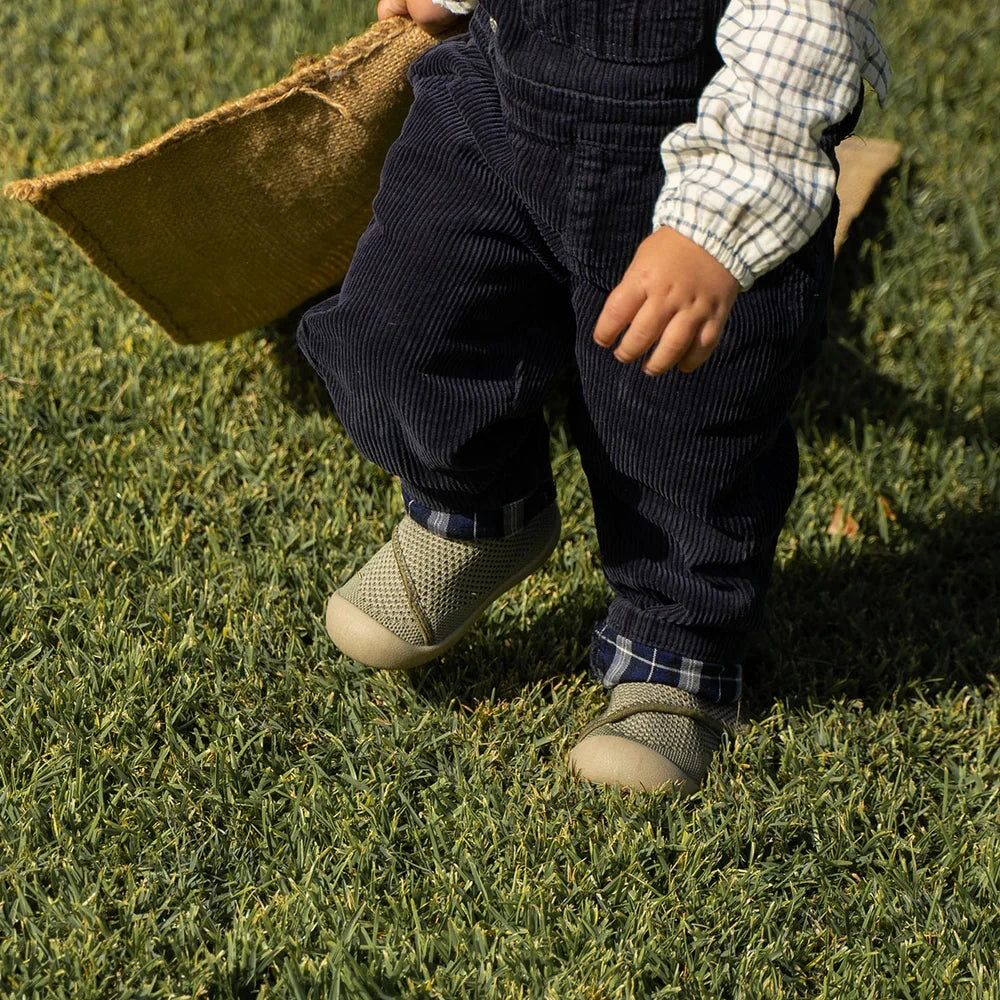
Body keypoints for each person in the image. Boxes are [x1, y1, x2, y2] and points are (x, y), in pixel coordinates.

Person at [296, 0, 890, 793]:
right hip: (499, 92)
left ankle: (673, 652)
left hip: (696, 152)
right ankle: (475, 509)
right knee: (397, 324)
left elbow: (804, 34)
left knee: (681, 426)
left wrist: (715, 224)